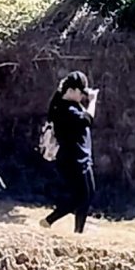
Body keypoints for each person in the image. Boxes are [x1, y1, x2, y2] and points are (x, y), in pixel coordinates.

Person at [41, 71, 98, 236]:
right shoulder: (65, 109)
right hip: (72, 160)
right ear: (71, 90)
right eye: (81, 92)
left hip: (82, 157)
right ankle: (50, 221)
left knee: (87, 195)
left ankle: (77, 231)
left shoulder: (65, 100)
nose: (83, 96)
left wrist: (85, 94)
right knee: (80, 197)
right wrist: (93, 101)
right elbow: (87, 120)